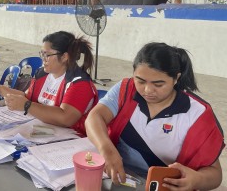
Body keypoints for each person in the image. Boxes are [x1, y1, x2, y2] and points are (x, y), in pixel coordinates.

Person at [85, 42, 224, 190]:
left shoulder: (196, 114)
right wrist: (106, 149)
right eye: (140, 81)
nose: (147, 90)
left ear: (176, 78)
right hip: (121, 177)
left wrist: (196, 180)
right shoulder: (126, 90)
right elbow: (95, 117)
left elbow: (215, 175)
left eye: (158, 84)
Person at [0, 31, 98, 136]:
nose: (43, 59)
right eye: (42, 54)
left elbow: (65, 118)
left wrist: (27, 106)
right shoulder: (43, 74)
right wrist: (0, 88)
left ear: (64, 57)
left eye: (47, 55)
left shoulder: (80, 83)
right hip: (42, 132)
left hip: (69, 140)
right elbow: (26, 97)